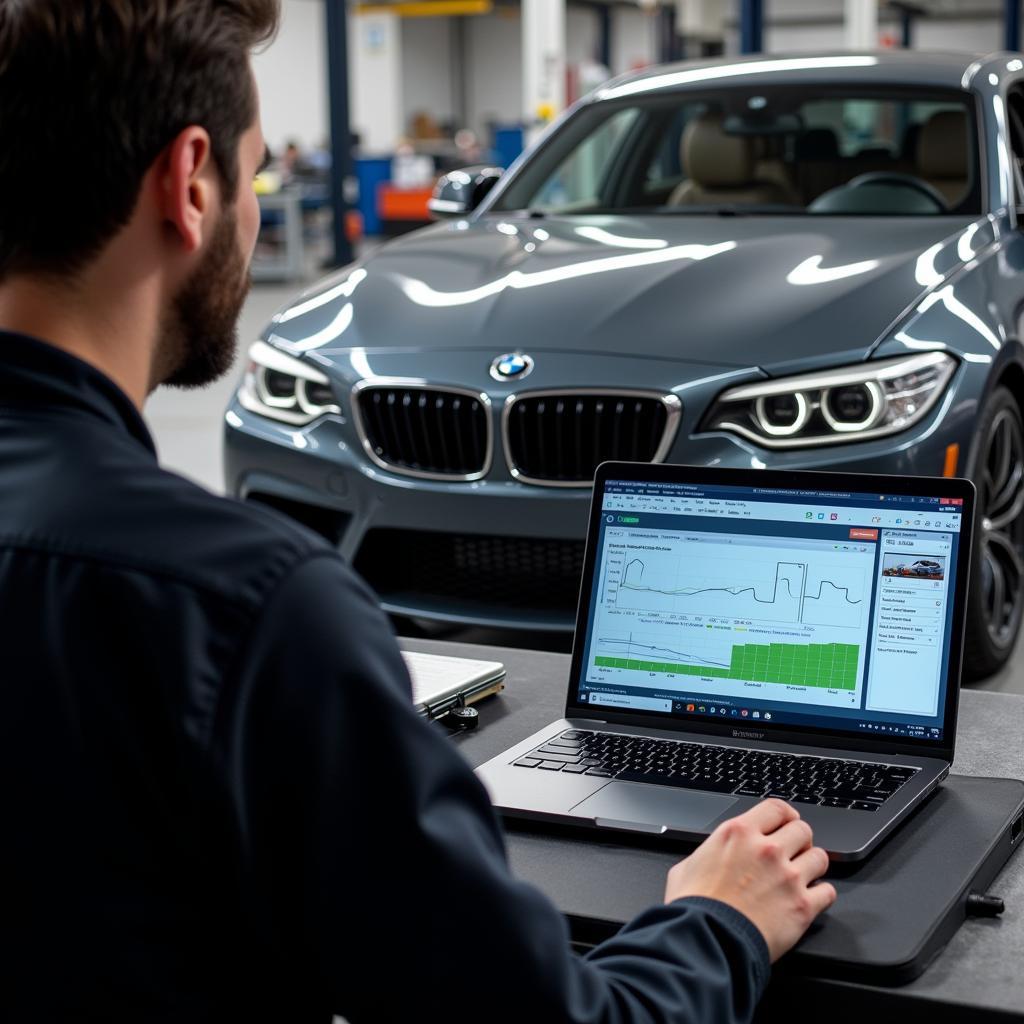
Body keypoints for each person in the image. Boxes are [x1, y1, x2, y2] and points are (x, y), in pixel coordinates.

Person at [0, 2, 836, 1020]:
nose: (258, 206)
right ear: (190, 184)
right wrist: (720, 917)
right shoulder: (250, 608)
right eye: (254, 172)